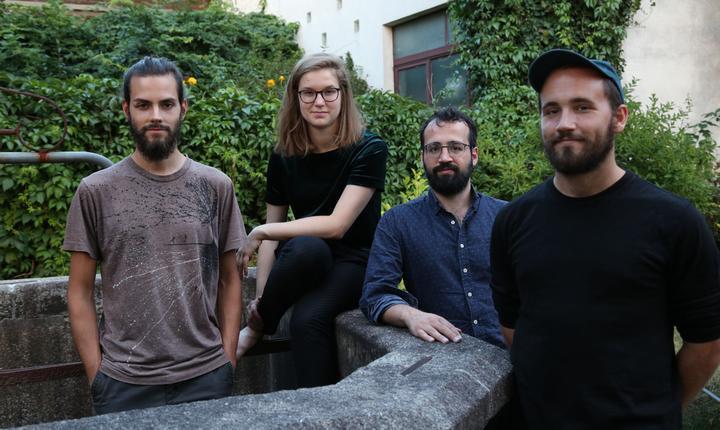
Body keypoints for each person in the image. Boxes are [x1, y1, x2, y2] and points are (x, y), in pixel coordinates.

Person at [490, 48, 720, 428]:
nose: (564, 123)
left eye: (583, 107)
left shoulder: (674, 221)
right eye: (551, 110)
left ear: (619, 117)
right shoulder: (512, 222)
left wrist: (656, 412)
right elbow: (513, 326)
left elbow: (706, 344)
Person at [64, 57, 245, 414]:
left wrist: (227, 361)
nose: (156, 115)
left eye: (167, 104)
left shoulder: (216, 186)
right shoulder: (95, 191)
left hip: (206, 377)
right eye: (143, 105)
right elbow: (79, 291)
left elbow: (231, 279)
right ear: (126, 110)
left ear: (183, 109)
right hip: (122, 384)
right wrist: (98, 376)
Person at [235, 53, 388, 388]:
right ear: (296, 97)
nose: (319, 101)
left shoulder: (369, 148)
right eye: (308, 93)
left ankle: (320, 409)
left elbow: (337, 225)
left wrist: (261, 231)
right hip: (308, 258)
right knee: (307, 248)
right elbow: (273, 239)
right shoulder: (283, 155)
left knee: (306, 321)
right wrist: (261, 302)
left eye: (329, 91)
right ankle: (258, 327)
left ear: (343, 94)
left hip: (354, 262)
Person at [360, 107, 505, 349]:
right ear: (422, 157)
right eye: (434, 148)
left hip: (513, 356)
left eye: (456, 147)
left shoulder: (506, 217)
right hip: (442, 360)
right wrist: (411, 315)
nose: (444, 157)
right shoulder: (398, 222)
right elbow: (375, 295)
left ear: (474, 155)